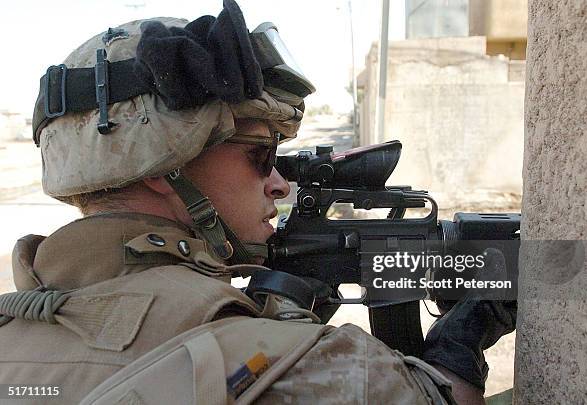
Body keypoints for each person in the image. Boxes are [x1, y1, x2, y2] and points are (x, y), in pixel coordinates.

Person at [0, 2, 514, 404]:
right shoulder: (272, 361)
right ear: (165, 169)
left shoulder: (16, 328)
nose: (279, 183)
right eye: (260, 154)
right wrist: (462, 339)